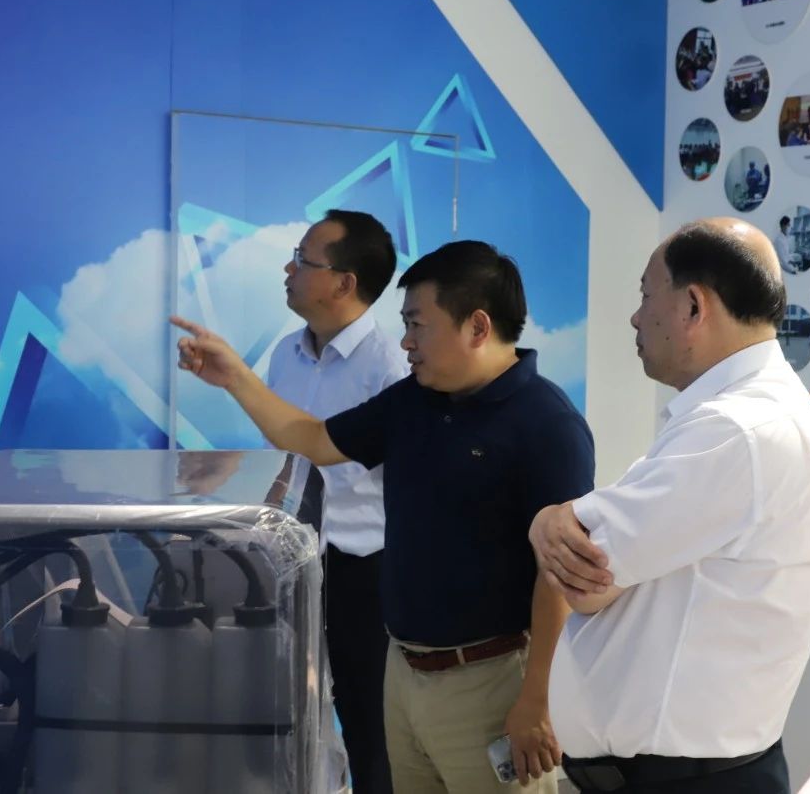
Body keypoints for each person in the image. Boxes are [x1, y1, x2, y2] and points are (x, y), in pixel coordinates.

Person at [173, 240, 595, 793]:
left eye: (418, 324)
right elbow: (313, 439)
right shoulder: (413, 401)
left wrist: (537, 700)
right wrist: (235, 377)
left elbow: (558, 577)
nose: (406, 342)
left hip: (492, 683)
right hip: (404, 674)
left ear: (477, 326)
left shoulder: (548, 425)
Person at [528, 218, 810, 794]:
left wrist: (548, 520)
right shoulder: (748, 413)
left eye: (646, 296)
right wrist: (556, 525)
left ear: (694, 306)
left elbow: (584, 581)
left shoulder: (733, 430)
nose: (635, 317)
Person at [264, 209, 407, 794]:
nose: (289, 269)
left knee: (371, 728)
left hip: (364, 569)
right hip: (288, 564)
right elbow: (282, 463)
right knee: (284, 716)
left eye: (303, 260)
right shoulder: (284, 354)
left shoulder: (392, 366)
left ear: (345, 283)